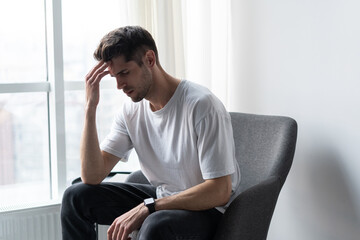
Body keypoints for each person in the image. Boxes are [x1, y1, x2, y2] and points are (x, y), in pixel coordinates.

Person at [61, 25, 241, 240]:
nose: (119, 85)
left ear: (149, 59)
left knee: (155, 224)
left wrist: (149, 207)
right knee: (76, 196)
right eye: (114, 76)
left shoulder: (201, 105)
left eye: (125, 73)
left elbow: (219, 191)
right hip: (163, 200)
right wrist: (90, 108)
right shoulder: (130, 111)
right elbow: (92, 176)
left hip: (209, 210)